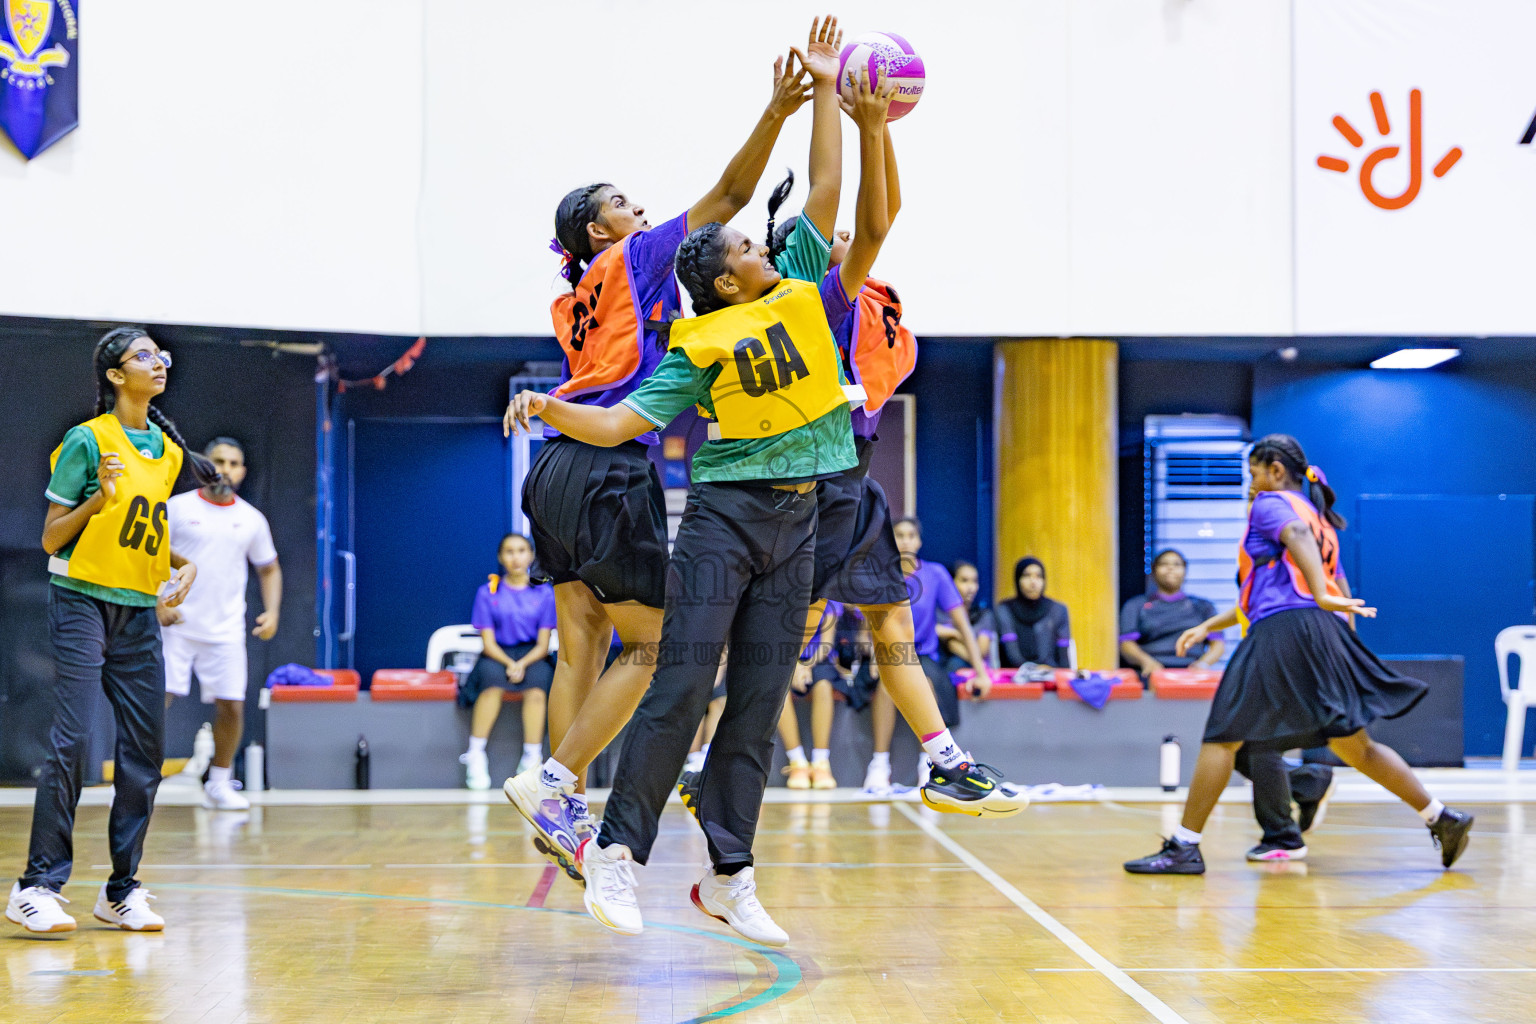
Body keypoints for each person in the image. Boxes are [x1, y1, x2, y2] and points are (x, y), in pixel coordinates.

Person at [505, 37, 885, 945]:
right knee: (661, 665)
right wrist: (785, 108)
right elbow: (725, 201)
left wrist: (838, 102)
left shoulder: (779, 288)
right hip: (636, 470)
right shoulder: (664, 296)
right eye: (622, 205)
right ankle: (590, 819)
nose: (639, 207)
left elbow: (838, 208)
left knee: (626, 655)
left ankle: (698, 853)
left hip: (577, 469)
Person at [752, 117, 1019, 817]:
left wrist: (878, 126)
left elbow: (878, 215)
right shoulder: (815, 296)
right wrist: (865, 124)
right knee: (786, 639)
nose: (843, 234)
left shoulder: (859, 303)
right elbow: (873, 213)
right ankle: (711, 757)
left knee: (891, 626)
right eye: (828, 235)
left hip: (853, 482)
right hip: (811, 486)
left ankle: (946, 762)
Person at [1124, 434, 1473, 875]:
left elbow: (1298, 544)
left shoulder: (1275, 506)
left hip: (1286, 632)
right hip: (1321, 634)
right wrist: (1211, 626)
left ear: (1274, 469)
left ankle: (1184, 846)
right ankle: (1441, 817)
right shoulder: (1321, 519)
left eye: (1253, 473)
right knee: (1356, 747)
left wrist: (1322, 602)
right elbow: (1325, 590)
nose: (1250, 484)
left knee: (1222, 735)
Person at [7, 327, 216, 935]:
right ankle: (36, 887)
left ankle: (121, 889)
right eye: (144, 356)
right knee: (72, 743)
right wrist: (95, 500)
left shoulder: (167, 452)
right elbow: (52, 536)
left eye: (162, 355)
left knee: (145, 753)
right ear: (116, 376)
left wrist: (184, 565)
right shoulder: (87, 439)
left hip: (138, 612)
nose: (159, 364)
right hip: (80, 602)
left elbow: (140, 528)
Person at [157, 437, 281, 812]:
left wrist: (272, 612)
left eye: (233, 463)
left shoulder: (251, 519)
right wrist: (155, 602)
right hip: (174, 624)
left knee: (232, 707)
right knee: (152, 705)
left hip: (225, 630)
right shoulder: (176, 508)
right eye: (218, 461)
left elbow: (269, 567)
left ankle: (220, 783)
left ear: (242, 472)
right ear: (202, 466)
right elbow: (148, 555)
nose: (224, 468)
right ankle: (136, 781)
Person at [859, 518, 1003, 794]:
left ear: (919, 542)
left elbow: (962, 623)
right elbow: (870, 626)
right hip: (889, 654)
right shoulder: (879, 573)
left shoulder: (936, 574)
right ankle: (879, 765)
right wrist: (875, 658)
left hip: (924, 655)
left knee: (925, 680)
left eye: (910, 535)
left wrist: (982, 672)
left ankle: (932, 763)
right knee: (886, 686)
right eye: (898, 535)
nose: (904, 541)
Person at [459, 534, 556, 790]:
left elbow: (543, 644)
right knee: (490, 683)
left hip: (532, 654)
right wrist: (509, 663)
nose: (516, 557)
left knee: (538, 686)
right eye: (509, 552)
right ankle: (476, 754)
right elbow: (488, 643)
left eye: (522, 550)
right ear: (501, 557)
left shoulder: (544, 593)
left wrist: (522, 664)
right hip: (497, 653)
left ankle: (531, 758)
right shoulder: (487, 592)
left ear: (531, 556)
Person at [1119, 549, 1224, 675]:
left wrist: (1203, 664)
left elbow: (1217, 643)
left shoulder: (1203, 606)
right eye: (1164, 564)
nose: (1170, 568)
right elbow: (1126, 644)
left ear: (1185, 571)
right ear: (1153, 570)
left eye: (1177, 564)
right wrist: (1147, 662)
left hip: (1192, 672)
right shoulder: (1136, 605)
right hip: (1151, 672)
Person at [776, 601, 842, 790]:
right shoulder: (784, 592)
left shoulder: (830, 594)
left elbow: (826, 644)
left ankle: (821, 763)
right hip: (784, 657)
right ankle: (797, 762)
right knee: (778, 688)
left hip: (817, 659)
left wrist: (806, 665)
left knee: (823, 685)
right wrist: (794, 663)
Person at [995, 557, 1072, 669]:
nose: (1033, 582)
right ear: (1017, 579)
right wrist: (1034, 671)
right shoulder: (1005, 609)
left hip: (1051, 677)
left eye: (1038, 576)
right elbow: (1012, 657)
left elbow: (1064, 660)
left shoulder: (1058, 610)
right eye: (1026, 576)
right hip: (1015, 679)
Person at [940, 560, 994, 675]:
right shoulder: (940, 613)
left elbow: (980, 651)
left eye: (974, 581)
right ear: (951, 583)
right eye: (964, 581)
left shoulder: (983, 614)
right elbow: (940, 635)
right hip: (945, 667)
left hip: (978, 672)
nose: (971, 587)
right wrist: (957, 634)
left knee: (955, 663)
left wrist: (954, 637)